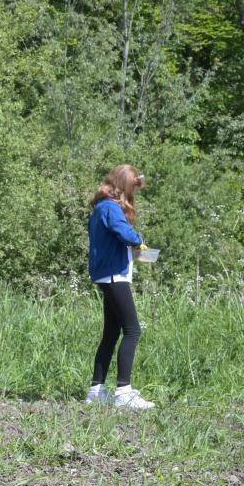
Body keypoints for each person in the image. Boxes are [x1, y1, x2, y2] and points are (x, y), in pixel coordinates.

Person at [86, 165, 154, 410]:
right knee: (133, 330)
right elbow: (122, 231)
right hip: (114, 275)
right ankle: (124, 391)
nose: (134, 193)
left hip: (107, 275)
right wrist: (138, 241)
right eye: (133, 187)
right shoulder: (111, 208)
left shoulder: (100, 207)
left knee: (112, 333)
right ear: (123, 184)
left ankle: (96, 390)